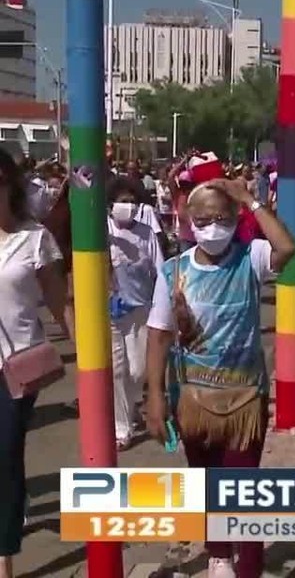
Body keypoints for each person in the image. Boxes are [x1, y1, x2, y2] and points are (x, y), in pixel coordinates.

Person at [144, 178, 295, 578]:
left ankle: (250, 564)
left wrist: (250, 199)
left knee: (244, 487)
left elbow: (288, 248)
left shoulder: (252, 256)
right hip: (194, 399)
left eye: (222, 217)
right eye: (203, 219)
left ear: (235, 219)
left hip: (246, 398)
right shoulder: (174, 270)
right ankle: (218, 554)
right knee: (206, 482)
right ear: (188, 221)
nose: (213, 226)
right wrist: (155, 397)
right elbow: (159, 335)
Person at [0, 149, 71, 578]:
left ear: (9, 183)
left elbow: (61, 306)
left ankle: (4, 554)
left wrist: (98, 364)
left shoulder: (34, 238)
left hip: (17, 366)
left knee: (5, 455)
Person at [107, 177, 165, 450]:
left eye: (132, 201)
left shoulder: (146, 234)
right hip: (110, 313)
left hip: (141, 309)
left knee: (138, 370)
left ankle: (128, 410)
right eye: (121, 201)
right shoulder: (101, 231)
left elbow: (160, 270)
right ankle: (122, 428)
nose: (126, 206)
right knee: (118, 371)